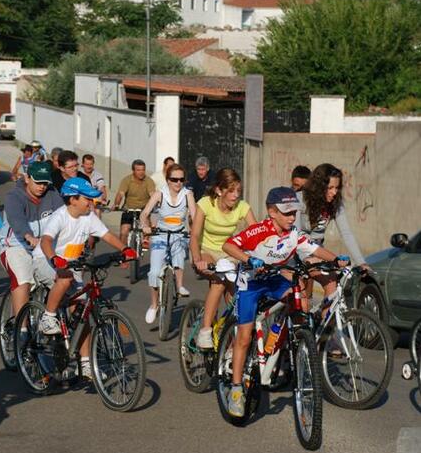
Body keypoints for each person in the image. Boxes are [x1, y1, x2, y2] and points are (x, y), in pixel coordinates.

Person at [222, 186, 349, 417]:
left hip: (274, 280)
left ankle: (288, 345)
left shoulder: (294, 234)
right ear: (272, 212)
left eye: (294, 213)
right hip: (250, 283)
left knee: (298, 296)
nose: (292, 217)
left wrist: (337, 259)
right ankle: (237, 389)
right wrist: (248, 259)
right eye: (287, 213)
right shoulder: (259, 230)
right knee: (243, 336)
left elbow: (316, 249)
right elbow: (228, 245)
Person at [35, 177, 137, 379]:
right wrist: (54, 258)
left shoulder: (88, 216)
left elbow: (107, 235)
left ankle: (86, 363)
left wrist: (125, 249)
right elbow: (46, 241)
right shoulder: (60, 216)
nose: (91, 203)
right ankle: (48, 316)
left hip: (71, 265)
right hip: (46, 261)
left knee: (82, 312)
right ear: (72, 199)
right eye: (86, 199)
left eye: (92, 199)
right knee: (64, 280)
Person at [190, 168, 256, 349]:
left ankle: (233, 337)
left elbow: (258, 234)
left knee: (235, 293)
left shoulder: (242, 207)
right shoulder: (205, 204)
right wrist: (197, 259)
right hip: (206, 251)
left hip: (228, 253)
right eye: (231, 191)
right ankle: (204, 331)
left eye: (238, 191)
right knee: (219, 280)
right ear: (219, 190)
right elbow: (195, 235)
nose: (236, 196)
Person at [0, 161, 64, 319]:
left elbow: (63, 216)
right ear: (27, 178)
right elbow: (17, 219)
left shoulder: (52, 194)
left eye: (45, 183)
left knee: (61, 282)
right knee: (23, 281)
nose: (42, 186)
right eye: (38, 182)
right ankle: (21, 331)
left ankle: (51, 321)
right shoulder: (14, 196)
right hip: (15, 245)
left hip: (43, 247)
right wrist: (28, 236)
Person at [295, 163, 370, 301]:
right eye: (330, 188)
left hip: (317, 252)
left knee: (332, 285)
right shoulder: (300, 199)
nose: (334, 192)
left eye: (337, 188)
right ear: (319, 187)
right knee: (302, 303)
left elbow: (346, 233)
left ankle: (328, 322)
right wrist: (306, 257)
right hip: (296, 252)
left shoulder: (335, 203)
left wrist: (361, 262)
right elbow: (295, 235)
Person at [140, 163, 196, 324]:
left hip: (179, 233)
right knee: (154, 271)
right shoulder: (159, 194)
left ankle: (179, 286)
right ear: (168, 180)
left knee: (179, 254)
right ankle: (153, 304)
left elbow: (193, 215)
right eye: (174, 179)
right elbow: (145, 213)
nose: (178, 183)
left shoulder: (187, 194)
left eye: (181, 179)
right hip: (160, 234)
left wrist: (193, 229)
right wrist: (145, 226)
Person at [111, 159, 155, 246]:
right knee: (124, 232)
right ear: (133, 171)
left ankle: (145, 240)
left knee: (146, 226)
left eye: (143, 170)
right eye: (138, 170)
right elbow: (120, 194)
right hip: (129, 209)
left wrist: (153, 207)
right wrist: (116, 204)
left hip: (143, 209)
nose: (141, 172)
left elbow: (153, 195)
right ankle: (123, 251)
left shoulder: (148, 181)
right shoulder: (127, 180)